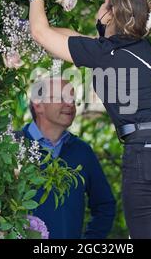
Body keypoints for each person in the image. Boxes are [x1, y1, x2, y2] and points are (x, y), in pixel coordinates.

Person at [23, 0, 151, 239]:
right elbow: (73, 39)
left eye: (103, 5)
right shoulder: (139, 47)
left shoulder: (105, 53)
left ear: (110, 15)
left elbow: (41, 34)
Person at [17, 77, 116, 239]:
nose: (70, 104)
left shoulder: (82, 152)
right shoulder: (11, 146)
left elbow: (105, 206)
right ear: (38, 104)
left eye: (72, 99)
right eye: (61, 98)